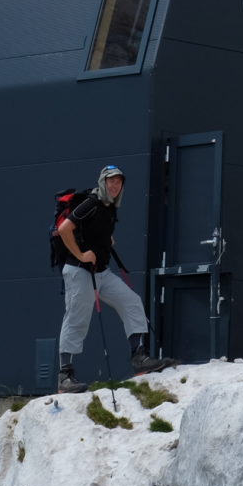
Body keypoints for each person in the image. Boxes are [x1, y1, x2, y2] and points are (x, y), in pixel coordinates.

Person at [56, 164, 171, 391]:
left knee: (131, 301)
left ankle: (139, 357)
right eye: (111, 181)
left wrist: (105, 241)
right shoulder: (91, 202)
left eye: (118, 182)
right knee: (77, 320)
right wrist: (81, 253)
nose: (115, 185)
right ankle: (64, 377)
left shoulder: (110, 207)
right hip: (80, 271)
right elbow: (64, 229)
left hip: (102, 272)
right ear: (103, 182)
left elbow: (96, 230)